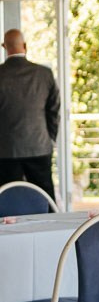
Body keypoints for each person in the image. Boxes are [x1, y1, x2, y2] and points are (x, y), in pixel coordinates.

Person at [0, 28, 61, 201]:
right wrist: (49, 138)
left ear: (4, 47)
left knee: (7, 201)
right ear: (25, 46)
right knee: (45, 198)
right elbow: (54, 110)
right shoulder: (44, 74)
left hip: (6, 150)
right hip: (39, 146)